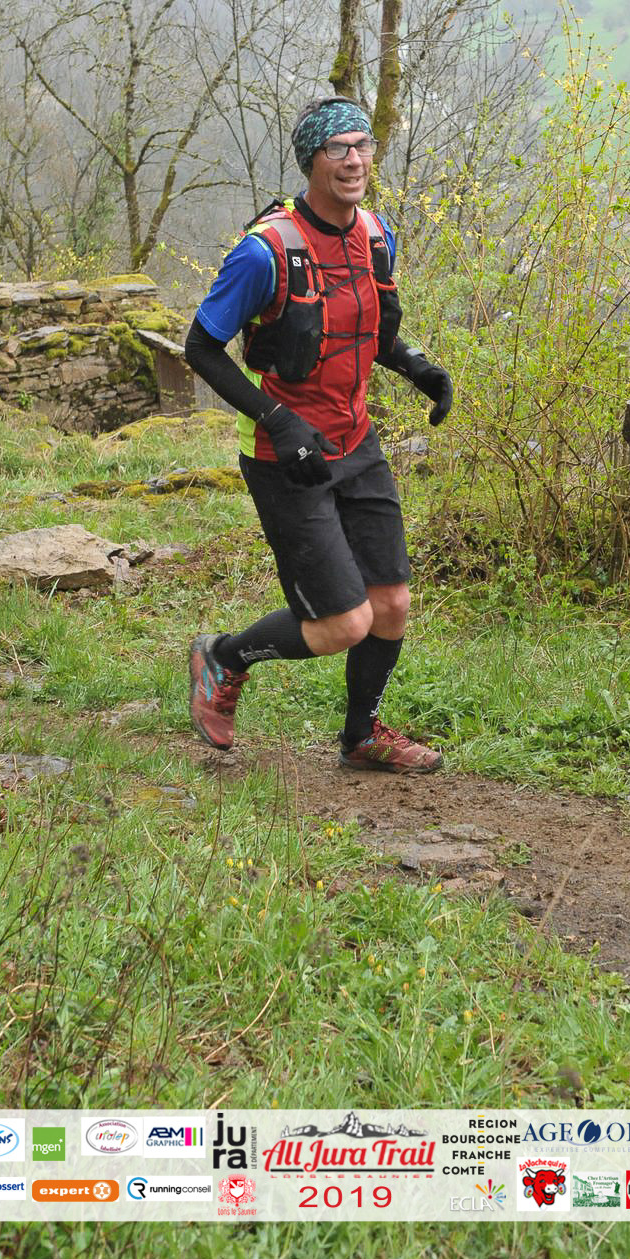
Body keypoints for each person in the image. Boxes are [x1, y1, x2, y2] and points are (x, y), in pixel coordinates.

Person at [183, 96, 453, 773]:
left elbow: (373, 332)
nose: (354, 160)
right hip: (285, 458)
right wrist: (276, 419)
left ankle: (361, 737)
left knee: (390, 605)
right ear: (312, 160)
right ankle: (223, 658)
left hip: (356, 442)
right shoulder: (266, 251)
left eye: (363, 145)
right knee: (343, 624)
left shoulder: (376, 236)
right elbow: (201, 347)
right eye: (338, 149)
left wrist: (419, 368)